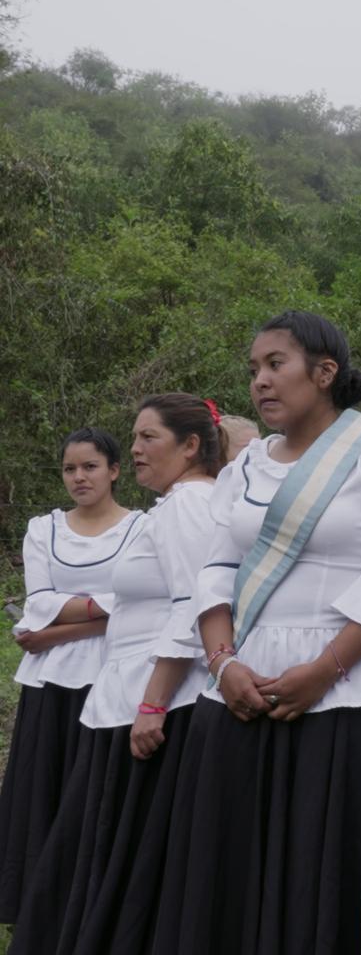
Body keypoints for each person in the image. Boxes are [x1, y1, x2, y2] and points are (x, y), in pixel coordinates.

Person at [152, 311, 361, 955]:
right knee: (231, 864)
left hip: (345, 691)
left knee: (322, 865)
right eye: (253, 370)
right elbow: (215, 569)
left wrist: (325, 669)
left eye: (276, 365)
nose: (261, 382)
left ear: (325, 373)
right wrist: (222, 663)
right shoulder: (246, 469)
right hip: (240, 687)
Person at [10, 395, 224, 955]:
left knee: (114, 846)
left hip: (152, 701)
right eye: (133, 437)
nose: (133, 449)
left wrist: (152, 705)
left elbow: (195, 606)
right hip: (126, 694)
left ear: (191, 445)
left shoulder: (186, 506)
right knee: (99, 846)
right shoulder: (176, 506)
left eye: (147, 437)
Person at [0, 428, 139, 923]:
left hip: (115, 673)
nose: (79, 477)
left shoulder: (141, 528)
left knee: (98, 789)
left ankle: (95, 904)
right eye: (69, 469)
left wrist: (58, 628)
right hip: (52, 682)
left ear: (115, 470)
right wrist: (105, 609)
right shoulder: (44, 529)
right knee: (46, 787)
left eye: (90, 467)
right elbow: (37, 602)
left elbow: (141, 604)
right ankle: (42, 906)